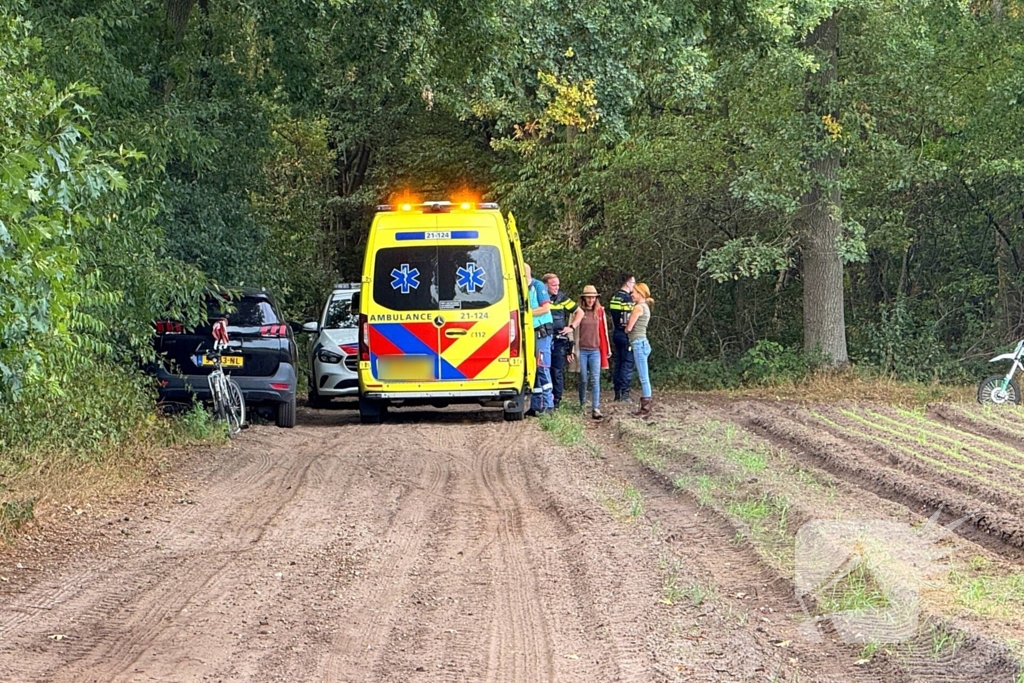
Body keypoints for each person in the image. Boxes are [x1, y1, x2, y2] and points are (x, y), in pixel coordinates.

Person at [568, 285, 610, 419]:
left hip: (595, 350)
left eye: (593, 297)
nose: (591, 300)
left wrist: (607, 348)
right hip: (582, 350)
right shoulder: (577, 312)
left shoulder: (600, 312)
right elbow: (571, 330)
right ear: (584, 298)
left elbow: (604, 332)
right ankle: (582, 404)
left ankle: (596, 408)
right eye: (588, 297)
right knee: (583, 379)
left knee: (595, 379)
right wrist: (571, 349)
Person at [543, 273, 578, 409]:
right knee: (544, 369)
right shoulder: (540, 297)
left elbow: (578, 312)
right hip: (544, 337)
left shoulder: (562, 298)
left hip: (559, 339)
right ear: (546, 285)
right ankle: (545, 399)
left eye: (558, 285)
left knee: (557, 371)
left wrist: (571, 327)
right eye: (554, 285)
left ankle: (557, 400)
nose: (557, 288)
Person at [524, 264, 554, 415]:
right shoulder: (520, 288)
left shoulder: (538, 286)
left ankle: (549, 405)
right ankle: (535, 406)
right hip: (529, 332)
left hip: (542, 331)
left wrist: (525, 314)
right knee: (533, 368)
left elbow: (545, 308)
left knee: (542, 366)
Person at [625, 282, 654, 418]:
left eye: (634, 292)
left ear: (640, 294)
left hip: (638, 342)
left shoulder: (638, 308)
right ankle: (645, 407)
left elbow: (629, 328)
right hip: (643, 342)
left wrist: (625, 326)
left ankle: (646, 409)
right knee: (644, 376)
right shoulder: (646, 307)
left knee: (643, 377)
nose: (632, 294)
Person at [608, 274, 636, 401]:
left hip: (616, 333)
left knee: (618, 363)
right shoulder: (627, 299)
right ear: (628, 282)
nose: (634, 286)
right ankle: (625, 393)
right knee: (627, 363)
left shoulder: (615, 298)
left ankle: (617, 392)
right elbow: (626, 320)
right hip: (625, 334)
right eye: (633, 283)